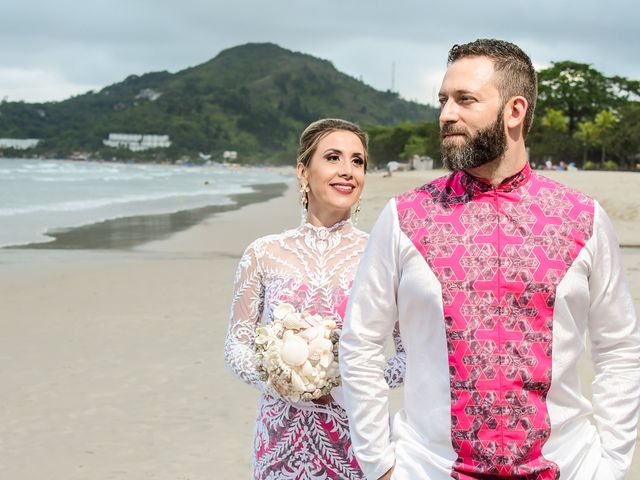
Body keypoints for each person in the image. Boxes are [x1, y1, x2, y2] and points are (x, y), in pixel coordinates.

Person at [340, 39, 640, 480]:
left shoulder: (582, 219)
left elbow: (618, 348)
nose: (446, 114)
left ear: (514, 111)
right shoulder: (404, 218)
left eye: (465, 100)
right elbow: (361, 342)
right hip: (430, 468)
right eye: (443, 100)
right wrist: (379, 464)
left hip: (567, 466)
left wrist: (612, 463)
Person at [224, 118, 405, 479]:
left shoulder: (384, 255)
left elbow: (409, 356)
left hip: (359, 440)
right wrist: (280, 377)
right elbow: (235, 346)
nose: (347, 171)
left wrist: (343, 378)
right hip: (280, 438)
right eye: (334, 157)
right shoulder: (263, 253)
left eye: (358, 161)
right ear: (303, 172)